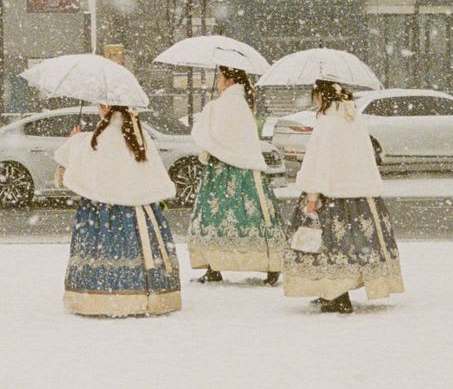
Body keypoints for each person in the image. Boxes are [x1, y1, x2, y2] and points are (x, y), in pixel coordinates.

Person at [283, 80, 403, 313]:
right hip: (361, 193)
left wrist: (312, 196)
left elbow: (320, 162)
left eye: (314, 95)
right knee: (354, 245)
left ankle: (336, 295)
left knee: (328, 245)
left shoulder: (327, 123)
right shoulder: (353, 118)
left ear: (321, 96)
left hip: (331, 193)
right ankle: (341, 291)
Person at [55, 104, 182, 317]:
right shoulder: (141, 137)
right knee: (142, 253)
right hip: (141, 214)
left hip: (103, 215)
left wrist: (74, 140)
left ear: (105, 106)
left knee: (103, 253)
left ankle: (100, 298)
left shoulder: (97, 139)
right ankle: (148, 294)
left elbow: (76, 168)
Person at [187, 66, 282, 285]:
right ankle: (268, 264)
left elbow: (214, 135)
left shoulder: (224, 105)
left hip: (222, 169)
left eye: (220, 77)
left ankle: (214, 264)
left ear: (229, 80)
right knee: (254, 215)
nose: (218, 81)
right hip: (248, 171)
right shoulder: (242, 103)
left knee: (214, 215)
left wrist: (208, 114)